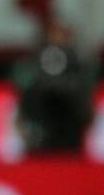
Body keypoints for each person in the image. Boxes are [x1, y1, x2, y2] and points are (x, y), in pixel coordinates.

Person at [12, 20, 96, 155]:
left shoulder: (80, 69)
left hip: (70, 137)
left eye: (62, 35)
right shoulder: (32, 67)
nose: (58, 40)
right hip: (40, 138)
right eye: (54, 35)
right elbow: (21, 111)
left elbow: (87, 111)